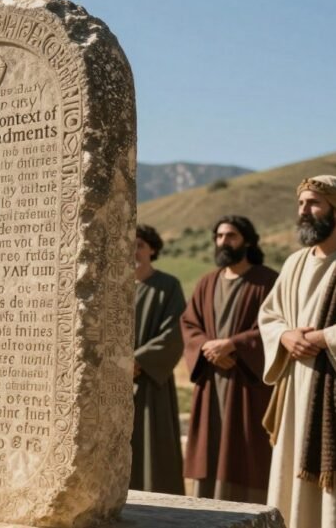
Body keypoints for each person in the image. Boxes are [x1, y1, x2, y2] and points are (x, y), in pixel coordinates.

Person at [259, 175, 336, 528]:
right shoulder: (295, 263)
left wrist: (322, 338)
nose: (304, 210)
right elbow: (270, 316)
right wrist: (285, 337)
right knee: (293, 477)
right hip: (297, 388)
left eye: (313, 203)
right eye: (301, 203)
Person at [181, 215, 277, 503]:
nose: (224, 241)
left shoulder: (267, 281)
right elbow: (189, 324)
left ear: (247, 241)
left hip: (248, 384)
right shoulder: (206, 283)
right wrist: (208, 348)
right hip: (211, 380)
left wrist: (234, 346)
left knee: (248, 451)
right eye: (219, 236)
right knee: (210, 446)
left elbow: (276, 326)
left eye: (231, 236)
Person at [131, 224, 185, 495]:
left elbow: (175, 334)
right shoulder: (111, 287)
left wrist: (137, 361)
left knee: (153, 447)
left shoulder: (168, 287)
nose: (133, 251)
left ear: (152, 249)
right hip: (112, 384)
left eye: (139, 245)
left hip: (152, 381)